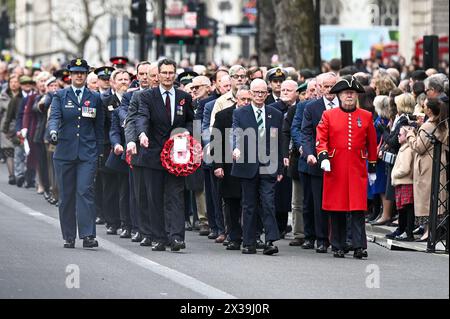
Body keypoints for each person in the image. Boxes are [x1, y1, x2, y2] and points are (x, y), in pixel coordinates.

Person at [316, 75, 378, 259]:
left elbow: (372, 143)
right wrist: (323, 157)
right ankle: (338, 245)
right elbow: (321, 139)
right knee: (337, 209)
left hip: (357, 168)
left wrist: (372, 167)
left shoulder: (366, 116)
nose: (349, 96)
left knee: (358, 209)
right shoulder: (328, 115)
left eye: (352, 93)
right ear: (339, 96)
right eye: (345, 93)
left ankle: (359, 246)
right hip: (335, 167)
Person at [137, 59, 195, 252]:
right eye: (165, 73)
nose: (168, 76)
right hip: (153, 154)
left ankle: (176, 237)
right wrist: (142, 134)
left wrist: (185, 132)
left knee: (176, 196)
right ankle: (159, 237)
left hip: (176, 156)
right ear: (158, 75)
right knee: (155, 197)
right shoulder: (147, 96)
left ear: (175, 74)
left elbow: (190, 121)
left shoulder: (184, 97)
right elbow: (142, 117)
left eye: (171, 73)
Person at [48, 58, 104, 249]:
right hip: (64, 152)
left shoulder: (95, 97)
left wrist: (99, 152)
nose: (79, 75)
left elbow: (99, 128)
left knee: (85, 191)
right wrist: (53, 131)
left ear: (87, 74)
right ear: (70, 75)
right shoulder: (60, 96)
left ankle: (88, 235)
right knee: (66, 195)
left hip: (87, 153)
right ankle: (69, 235)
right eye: (75, 72)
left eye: (82, 72)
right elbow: (54, 117)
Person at [231, 79, 283, 256]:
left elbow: (279, 142)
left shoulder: (275, 114)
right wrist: (236, 148)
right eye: (256, 92)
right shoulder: (240, 113)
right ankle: (249, 242)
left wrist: (281, 168)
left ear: (267, 94)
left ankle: (270, 241)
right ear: (251, 94)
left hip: (269, 165)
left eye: (263, 93)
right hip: (248, 165)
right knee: (249, 204)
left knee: (268, 203)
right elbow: (236, 132)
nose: (259, 96)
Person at [300, 72, 338, 253]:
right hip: (317, 161)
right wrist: (309, 153)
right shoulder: (312, 107)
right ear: (319, 88)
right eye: (326, 86)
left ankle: (340, 237)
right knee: (319, 202)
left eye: (333, 86)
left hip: (340, 161)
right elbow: (306, 133)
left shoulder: (345, 106)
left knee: (340, 201)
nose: (330, 90)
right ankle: (322, 239)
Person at [212, 86, 252, 251]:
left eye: (249, 99)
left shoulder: (255, 114)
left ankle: (251, 236)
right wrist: (218, 165)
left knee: (250, 202)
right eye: (243, 99)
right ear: (236, 99)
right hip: (229, 166)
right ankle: (234, 236)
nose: (246, 102)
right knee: (231, 202)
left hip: (251, 165)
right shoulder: (223, 115)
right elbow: (216, 141)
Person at [407, 98, 448, 242]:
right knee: (436, 196)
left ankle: (428, 231)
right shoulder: (443, 123)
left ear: (429, 110)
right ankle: (432, 230)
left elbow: (419, 147)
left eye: (424, 106)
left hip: (426, 165)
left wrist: (410, 134)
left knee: (426, 198)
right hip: (438, 162)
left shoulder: (427, 125)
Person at [391, 126, 415, 242]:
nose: (398, 136)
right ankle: (402, 230)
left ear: (406, 136)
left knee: (407, 208)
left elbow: (405, 168)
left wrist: (395, 174)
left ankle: (408, 232)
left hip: (406, 181)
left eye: (400, 134)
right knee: (402, 208)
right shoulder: (403, 149)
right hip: (401, 182)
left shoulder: (408, 150)